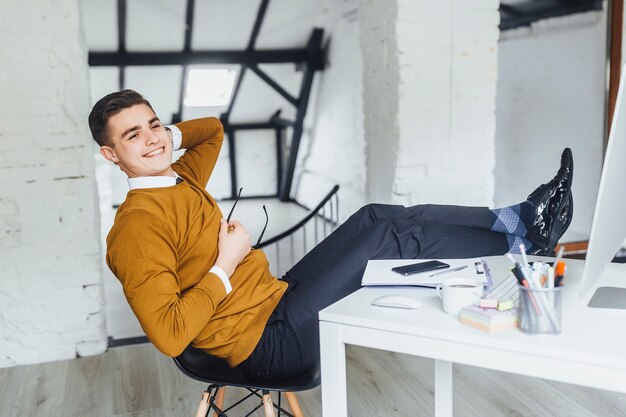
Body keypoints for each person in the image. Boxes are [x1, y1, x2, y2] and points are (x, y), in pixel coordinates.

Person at [89, 89, 573, 380]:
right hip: (267, 343)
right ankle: (525, 243)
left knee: (373, 215)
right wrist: (225, 263)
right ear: (110, 155)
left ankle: (516, 217)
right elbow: (170, 336)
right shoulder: (136, 226)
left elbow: (212, 130)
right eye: (132, 135)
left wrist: (162, 138)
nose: (152, 138)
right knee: (386, 238)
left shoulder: (178, 174)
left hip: (274, 300)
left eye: (153, 125)